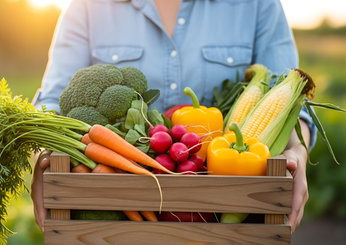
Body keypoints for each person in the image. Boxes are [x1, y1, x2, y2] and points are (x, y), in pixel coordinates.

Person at [30, 0, 316, 234]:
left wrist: (297, 152)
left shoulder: (257, 5)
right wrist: (43, 156)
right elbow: (52, 104)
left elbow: (289, 99)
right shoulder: (87, 7)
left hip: (228, 220)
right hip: (110, 223)